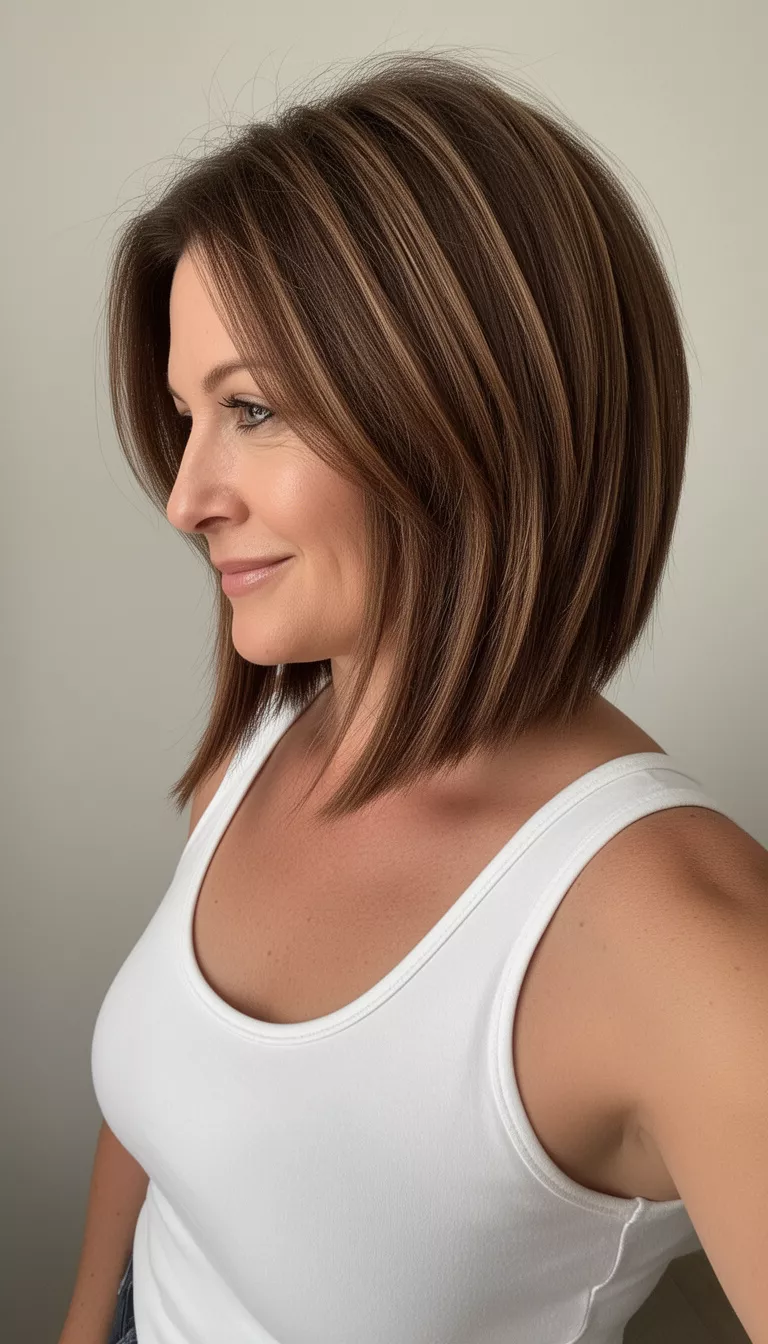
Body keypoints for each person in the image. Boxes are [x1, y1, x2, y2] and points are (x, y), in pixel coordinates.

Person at [60, 49, 768, 1344]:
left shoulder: (690, 949)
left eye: (254, 409)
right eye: (186, 416)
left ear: (473, 409)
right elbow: (169, 1110)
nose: (184, 498)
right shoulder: (272, 735)